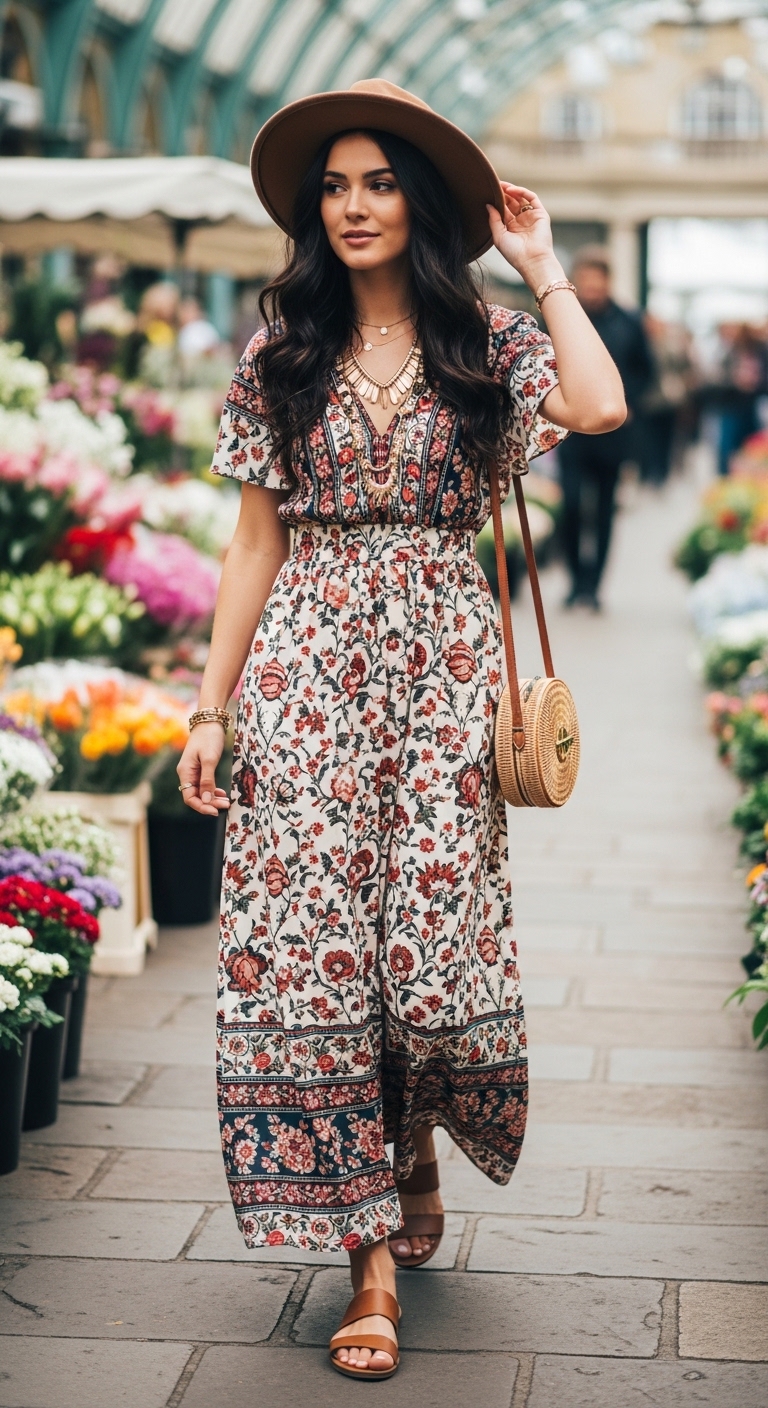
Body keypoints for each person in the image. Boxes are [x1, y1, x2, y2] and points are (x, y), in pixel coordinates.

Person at [176, 79, 625, 1381]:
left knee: (427, 953)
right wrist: (208, 705)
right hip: (305, 679)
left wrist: (541, 266)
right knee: (315, 953)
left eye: (378, 182)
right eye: (334, 184)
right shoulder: (284, 352)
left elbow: (596, 406)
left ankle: (415, 1138)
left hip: (440, 681)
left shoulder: (485, 341)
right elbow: (253, 539)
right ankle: (366, 1260)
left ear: (418, 203)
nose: (355, 205)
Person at [558, 246, 653, 609]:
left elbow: (646, 372)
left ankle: (594, 586)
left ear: (608, 283)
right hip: (571, 434)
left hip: (614, 435)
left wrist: (627, 403)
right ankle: (574, 579)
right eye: (587, 284)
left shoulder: (630, 322)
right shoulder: (564, 317)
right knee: (570, 506)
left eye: (598, 284)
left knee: (603, 511)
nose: (592, 290)